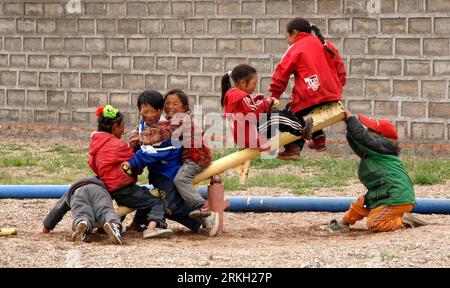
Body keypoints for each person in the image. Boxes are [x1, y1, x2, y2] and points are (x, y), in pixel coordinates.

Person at [124, 90, 219, 237]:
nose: (149, 115)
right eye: (145, 112)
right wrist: (135, 137)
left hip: (169, 171)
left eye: (153, 111)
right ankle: (140, 222)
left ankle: (203, 218)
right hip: (159, 171)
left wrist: (133, 162)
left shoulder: (170, 125)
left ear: (159, 110)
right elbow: (143, 142)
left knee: (171, 206)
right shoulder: (147, 123)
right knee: (154, 197)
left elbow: (156, 151)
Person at [329, 111, 427, 232]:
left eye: (370, 131)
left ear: (380, 137)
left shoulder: (382, 149)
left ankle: (404, 221)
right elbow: (357, 140)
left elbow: (361, 137)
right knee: (359, 205)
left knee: (375, 223)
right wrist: (348, 124)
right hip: (383, 194)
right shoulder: (374, 152)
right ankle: (344, 223)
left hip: (395, 198)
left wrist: (350, 119)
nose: (367, 133)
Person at [89, 104, 173, 239]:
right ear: (115, 127)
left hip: (106, 186)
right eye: (122, 125)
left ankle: (118, 225)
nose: (124, 129)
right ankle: (153, 228)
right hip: (122, 187)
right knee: (155, 201)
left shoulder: (95, 144)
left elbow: (92, 163)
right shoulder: (119, 145)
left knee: (142, 196)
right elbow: (135, 164)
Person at [269, 18, 347, 160]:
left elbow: (281, 72)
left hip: (310, 95)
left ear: (294, 33)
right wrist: (337, 87)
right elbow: (340, 67)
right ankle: (319, 138)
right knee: (310, 113)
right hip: (332, 94)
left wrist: (275, 95)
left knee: (292, 113)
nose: (287, 41)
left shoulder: (296, 47)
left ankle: (293, 149)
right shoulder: (325, 43)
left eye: (287, 37)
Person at [221, 63, 312, 153]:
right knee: (274, 116)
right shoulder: (240, 96)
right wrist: (267, 102)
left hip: (245, 137)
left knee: (274, 114)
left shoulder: (233, 96)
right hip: (252, 137)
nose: (255, 87)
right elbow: (253, 113)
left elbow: (246, 110)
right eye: (254, 83)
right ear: (243, 82)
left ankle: (295, 141)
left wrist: (258, 100)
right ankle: (301, 130)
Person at [41, 177, 124, 245]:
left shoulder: (70, 190)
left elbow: (58, 208)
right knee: (106, 211)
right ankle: (113, 224)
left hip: (78, 192)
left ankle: (82, 223)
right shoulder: (105, 183)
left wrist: (47, 226)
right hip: (100, 190)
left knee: (82, 214)